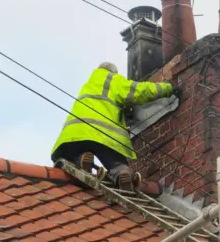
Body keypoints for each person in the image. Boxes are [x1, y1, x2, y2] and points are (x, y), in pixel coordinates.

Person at [51, 62, 180, 190]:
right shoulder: (112, 79)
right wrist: (167, 88)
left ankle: (82, 160)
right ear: (112, 72)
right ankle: (122, 173)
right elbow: (140, 91)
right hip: (102, 133)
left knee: (70, 159)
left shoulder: (88, 85)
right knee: (115, 163)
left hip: (73, 134)